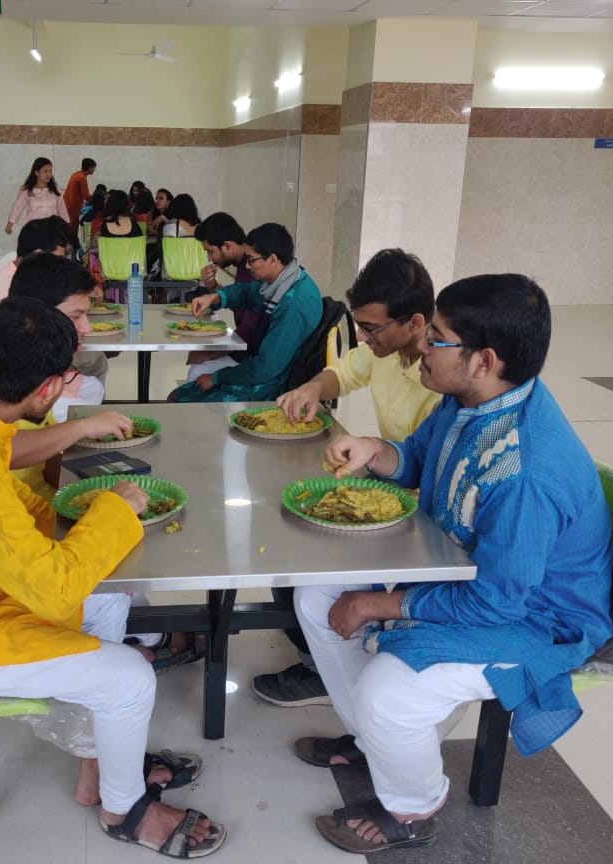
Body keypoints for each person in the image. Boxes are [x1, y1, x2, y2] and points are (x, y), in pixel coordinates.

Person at [0, 296, 227, 858]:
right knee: (130, 678)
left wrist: (76, 469)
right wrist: (116, 509)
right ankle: (123, 811)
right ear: (50, 388)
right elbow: (52, 585)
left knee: (107, 604)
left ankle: (97, 768)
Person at [294, 274, 613, 855]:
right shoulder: (470, 399)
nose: (422, 345)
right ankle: (380, 744)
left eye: (438, 338)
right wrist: (373, 449)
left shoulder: (524, 471)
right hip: (473, 577)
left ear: (484, 360)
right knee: (316, 593)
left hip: (536, 617)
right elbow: (417, 455)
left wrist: (377, 603)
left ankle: (412, 808)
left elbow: (498, 601)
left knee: (387, 694)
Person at [252, 249, 442, 709]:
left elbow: (430, 476)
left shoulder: (442, 382)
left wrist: (377, 462)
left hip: (418, 508)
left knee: (307, 563)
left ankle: (328, 667)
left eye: (372, 328)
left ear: (416, 322)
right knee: (287, 528)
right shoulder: (385, 350)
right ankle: (320, 652)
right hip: (392, 474)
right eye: (360, 324)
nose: (362, 336)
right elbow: (344, 371)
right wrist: (312, 389)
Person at [0, 252, 119, 500]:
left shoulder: (21, 348)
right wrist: (82, 427)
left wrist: (79, 492)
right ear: (39, 310)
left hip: (27, 495)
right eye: (76, 316)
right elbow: (0, 449)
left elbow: (44, 459)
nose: (86, 328)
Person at [168, 223, 320, 403]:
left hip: (276, 385)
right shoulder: (283, 281)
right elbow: (247, 292)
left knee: (182, 398)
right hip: (266, 370)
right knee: (186, 390)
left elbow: (266, 368)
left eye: (251, 260)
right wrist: (215, 297)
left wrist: (217, 378)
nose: (247, 266)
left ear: (272, 259)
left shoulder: (292, 304)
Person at [191, 212, 263, 360]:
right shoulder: (242, 264)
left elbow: (250, 328)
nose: (209, 258)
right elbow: (239, 302)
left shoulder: (254, 269)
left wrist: (211, 354)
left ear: (228, 246)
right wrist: (212, 286)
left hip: (254, 354)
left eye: (211, 252)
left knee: (199, 369)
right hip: (246, 347)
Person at [6, 157, 69, 235]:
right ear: (36, 172)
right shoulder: (27, 190)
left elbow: (62, 209)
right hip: (33, 229)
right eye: (45, 171)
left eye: (50, 171)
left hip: (52, 229)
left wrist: (66, 227)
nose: (48, 174)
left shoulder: (55, 190)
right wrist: (9, 225)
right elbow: (17, 207)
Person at [63, 158, 96, 228]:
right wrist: (97, 200)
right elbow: (86, 196)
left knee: (68, 227)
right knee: (73, 228)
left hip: (66, 203)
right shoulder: (82, 178)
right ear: (90, 167)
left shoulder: (75, 174)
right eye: (94, 168)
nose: (94, 170)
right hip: (73, 207)